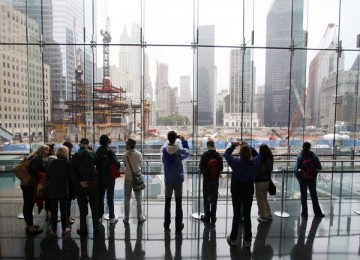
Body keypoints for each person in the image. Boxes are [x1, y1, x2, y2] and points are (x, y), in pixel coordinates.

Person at [224, 142, 260, 248]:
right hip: (248, 190)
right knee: (247, 216)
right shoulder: (254, 163)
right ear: (249, 153)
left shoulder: (236, 163)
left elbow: (226, 155)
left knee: (236, 215)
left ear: (240, 153)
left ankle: (234, 239)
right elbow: (258, 156)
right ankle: (248, 240)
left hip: (237, 191)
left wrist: (233, 146)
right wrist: (250, 147)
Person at [161, 131, 190, 232]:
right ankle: (178, 225)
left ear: (168, 139)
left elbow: (163, 161)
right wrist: (183, 141)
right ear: (175, 139)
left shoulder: (164, 150)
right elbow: (188, 152)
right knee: (178, 203)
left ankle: (166, 224)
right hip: (178, 179)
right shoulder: (179, 151)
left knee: (167, 202)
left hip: (168, 180)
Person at [71, 138, 100, 236]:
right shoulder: (92, 153)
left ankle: (83, 229)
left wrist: (80, 182)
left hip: (81, 185)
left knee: (82, 208)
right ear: (87, 145)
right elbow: (98, 163)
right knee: (94, 206)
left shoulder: (75, 155)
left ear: (80, 144)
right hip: (93, 183)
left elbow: (72, 172)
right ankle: (96, 227)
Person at [21, 144, 49, 235]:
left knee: (28, 205)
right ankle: (31, 228)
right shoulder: (37, 159)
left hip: (27, 184)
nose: (48, 152)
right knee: (28, 205)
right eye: (46, 150)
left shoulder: (35, 157)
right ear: (41, 151)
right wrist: (42, 175)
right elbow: (33, 171)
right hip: (28, 185)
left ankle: (30, 225)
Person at [294, 142, 324, 218]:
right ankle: (318, 213)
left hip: (303, 179)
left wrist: (299, 178)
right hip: (312, 179)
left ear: (302, 147)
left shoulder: (300, 156)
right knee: (314, 196)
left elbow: (296, 169)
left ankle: (304, 213)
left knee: (303, 196)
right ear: (310, 147)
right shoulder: (314, 156)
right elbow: (319, 167)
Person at [46, 145, 71, 237]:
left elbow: (47, 176)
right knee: (63, 210)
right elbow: (70, 177)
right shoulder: (67, 164)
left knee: (54, 210)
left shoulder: (51, 163)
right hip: (63, 189)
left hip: (52, 189)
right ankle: (64, 229)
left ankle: (53, 230)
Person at [96, 134, 121, 224]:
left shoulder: (97, 151)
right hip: (110, 178)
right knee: (110, 197)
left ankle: (99, 216)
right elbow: (117, 164)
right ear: (107, 142)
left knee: (100, 197)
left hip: (100, 178)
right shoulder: (109, 151)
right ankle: (111, 216)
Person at [199, 140, 223, 224]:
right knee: (214, 198)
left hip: (206, 180)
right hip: (215, 180)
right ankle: (213, 217)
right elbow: (221, 168)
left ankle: (207, 216)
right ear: (214, 146)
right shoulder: (218, 156)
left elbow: (200, 167)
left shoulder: (204, 155)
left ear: (208, 146)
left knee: (206, 198)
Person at [122, 138, 146, 224]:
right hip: (137, 179)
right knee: (138, 199)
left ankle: (126, 218)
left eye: (126, 144)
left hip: (128, 179)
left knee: (127, 199)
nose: (125, 145)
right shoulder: (139, 154)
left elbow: (125, 165)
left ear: (129, 145)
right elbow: (140, 164)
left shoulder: (124, 155)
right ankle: (140, 217)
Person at [255, 144, 274, 222]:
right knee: (265, 198)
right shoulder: (270, 158)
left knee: (260, 199)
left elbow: (257, 171)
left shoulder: (260, 159)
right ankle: (269, 214)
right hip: (267, 181)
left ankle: (263, 216)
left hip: (259, 181)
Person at [63, 140, 76, 224]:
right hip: (67, 183)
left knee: (68, 201)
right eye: (70, 149)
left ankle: (68, 216)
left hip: (69, 183)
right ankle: (67, 217)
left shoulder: (68, 156)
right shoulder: (65, 159)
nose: (71, 150)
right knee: (67, 201)